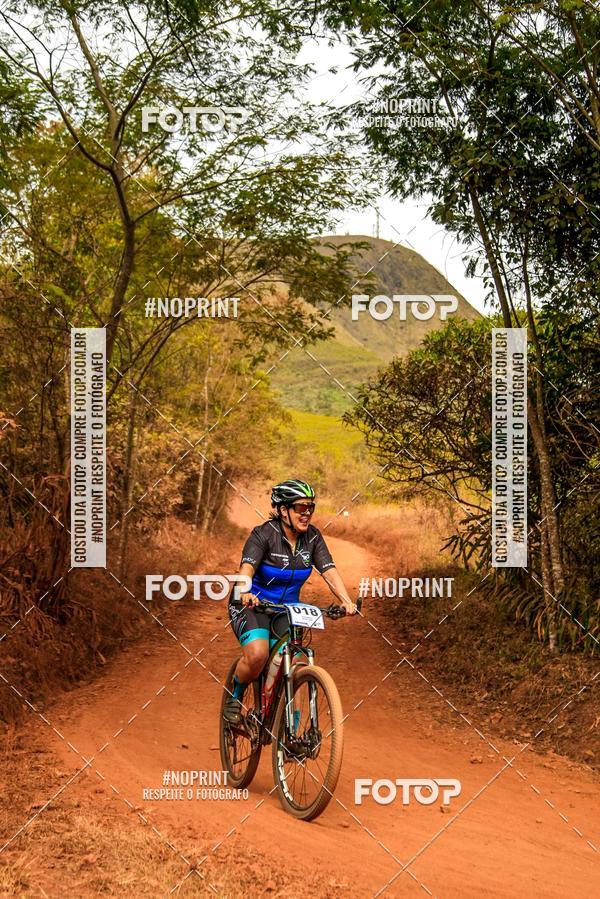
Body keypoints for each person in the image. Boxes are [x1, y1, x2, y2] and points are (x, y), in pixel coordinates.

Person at [224, 479, 356, 724]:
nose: (306, 514)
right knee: (257, 655)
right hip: (252, 603)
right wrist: (245, 592)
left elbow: (329, 571)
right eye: (300, 508)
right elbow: (246, 571)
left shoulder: (313, 538)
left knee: (293, 659)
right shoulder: (263, 535)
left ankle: (279, 713)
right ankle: (236, 694)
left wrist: (347, 601)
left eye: (310, 508)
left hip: (286, 609)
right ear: (284, 510)